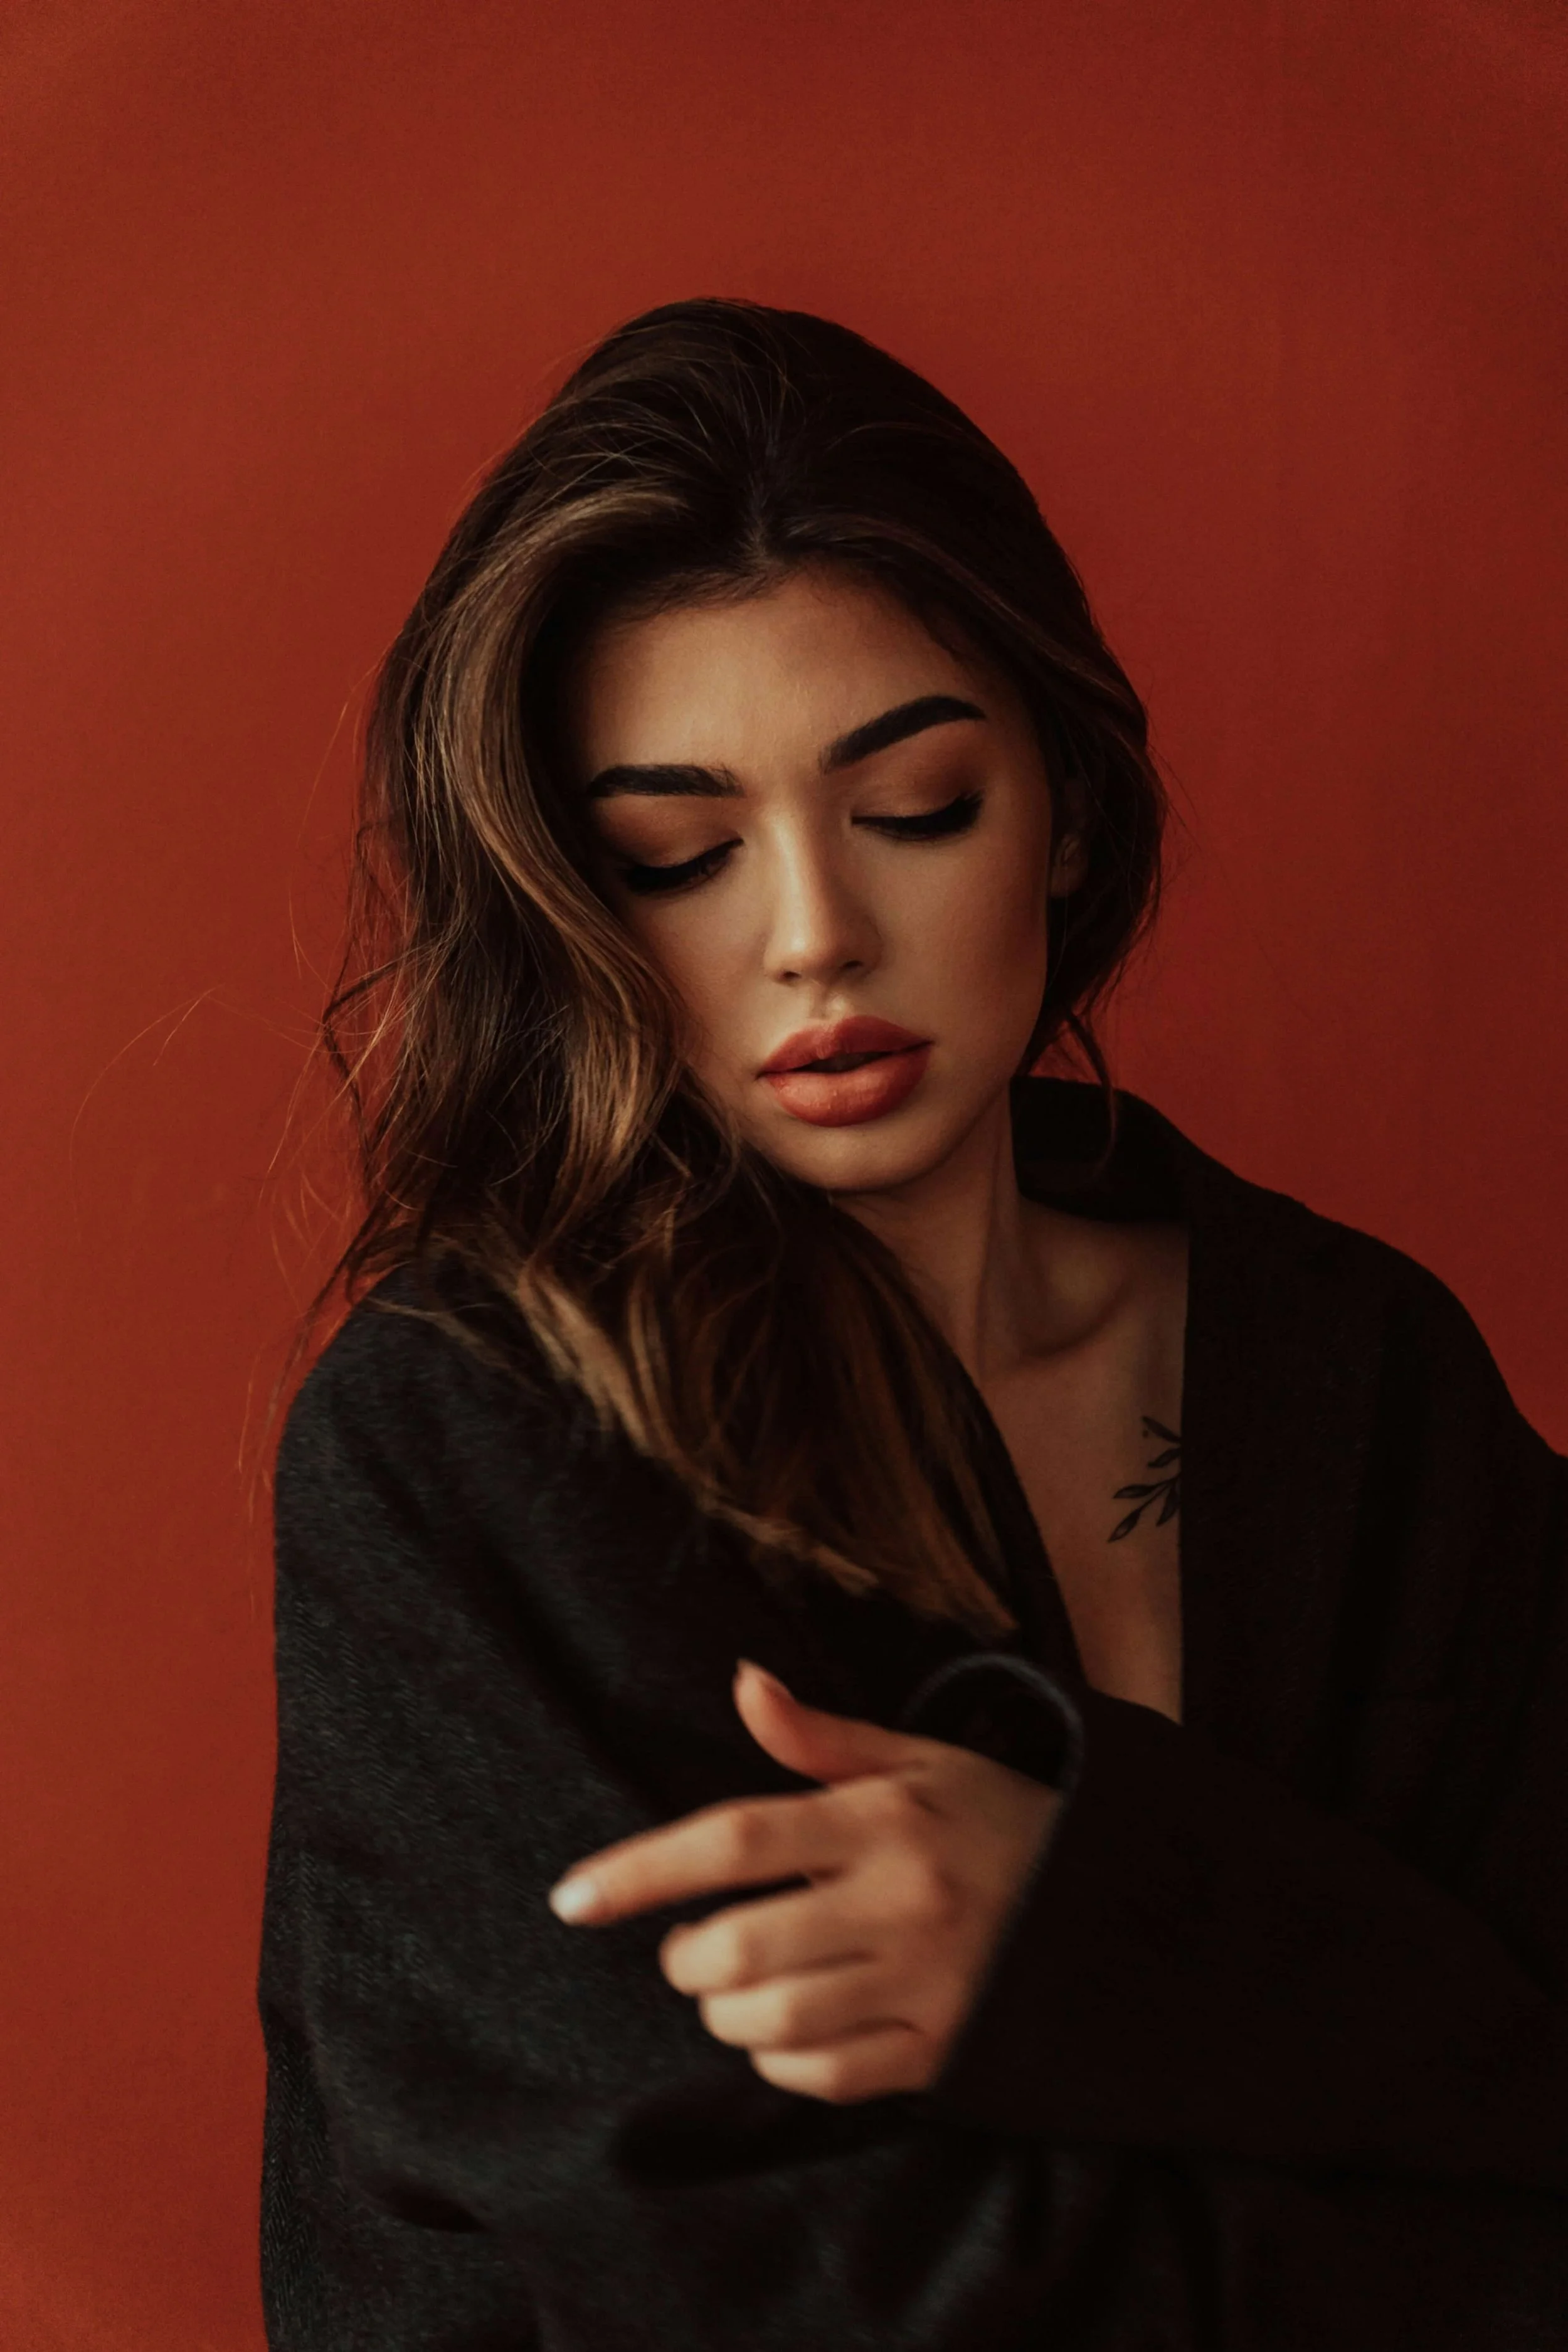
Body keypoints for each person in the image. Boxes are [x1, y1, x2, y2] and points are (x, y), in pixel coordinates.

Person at [257, 298, 1568, 2349]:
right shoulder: (463, 1444)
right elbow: (806, 2302)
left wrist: (1111, 1923)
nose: (809, 934)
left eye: (917, 804)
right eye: (673, 853)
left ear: (1060, 798)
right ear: (570, 906)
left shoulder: (1357, 1370)